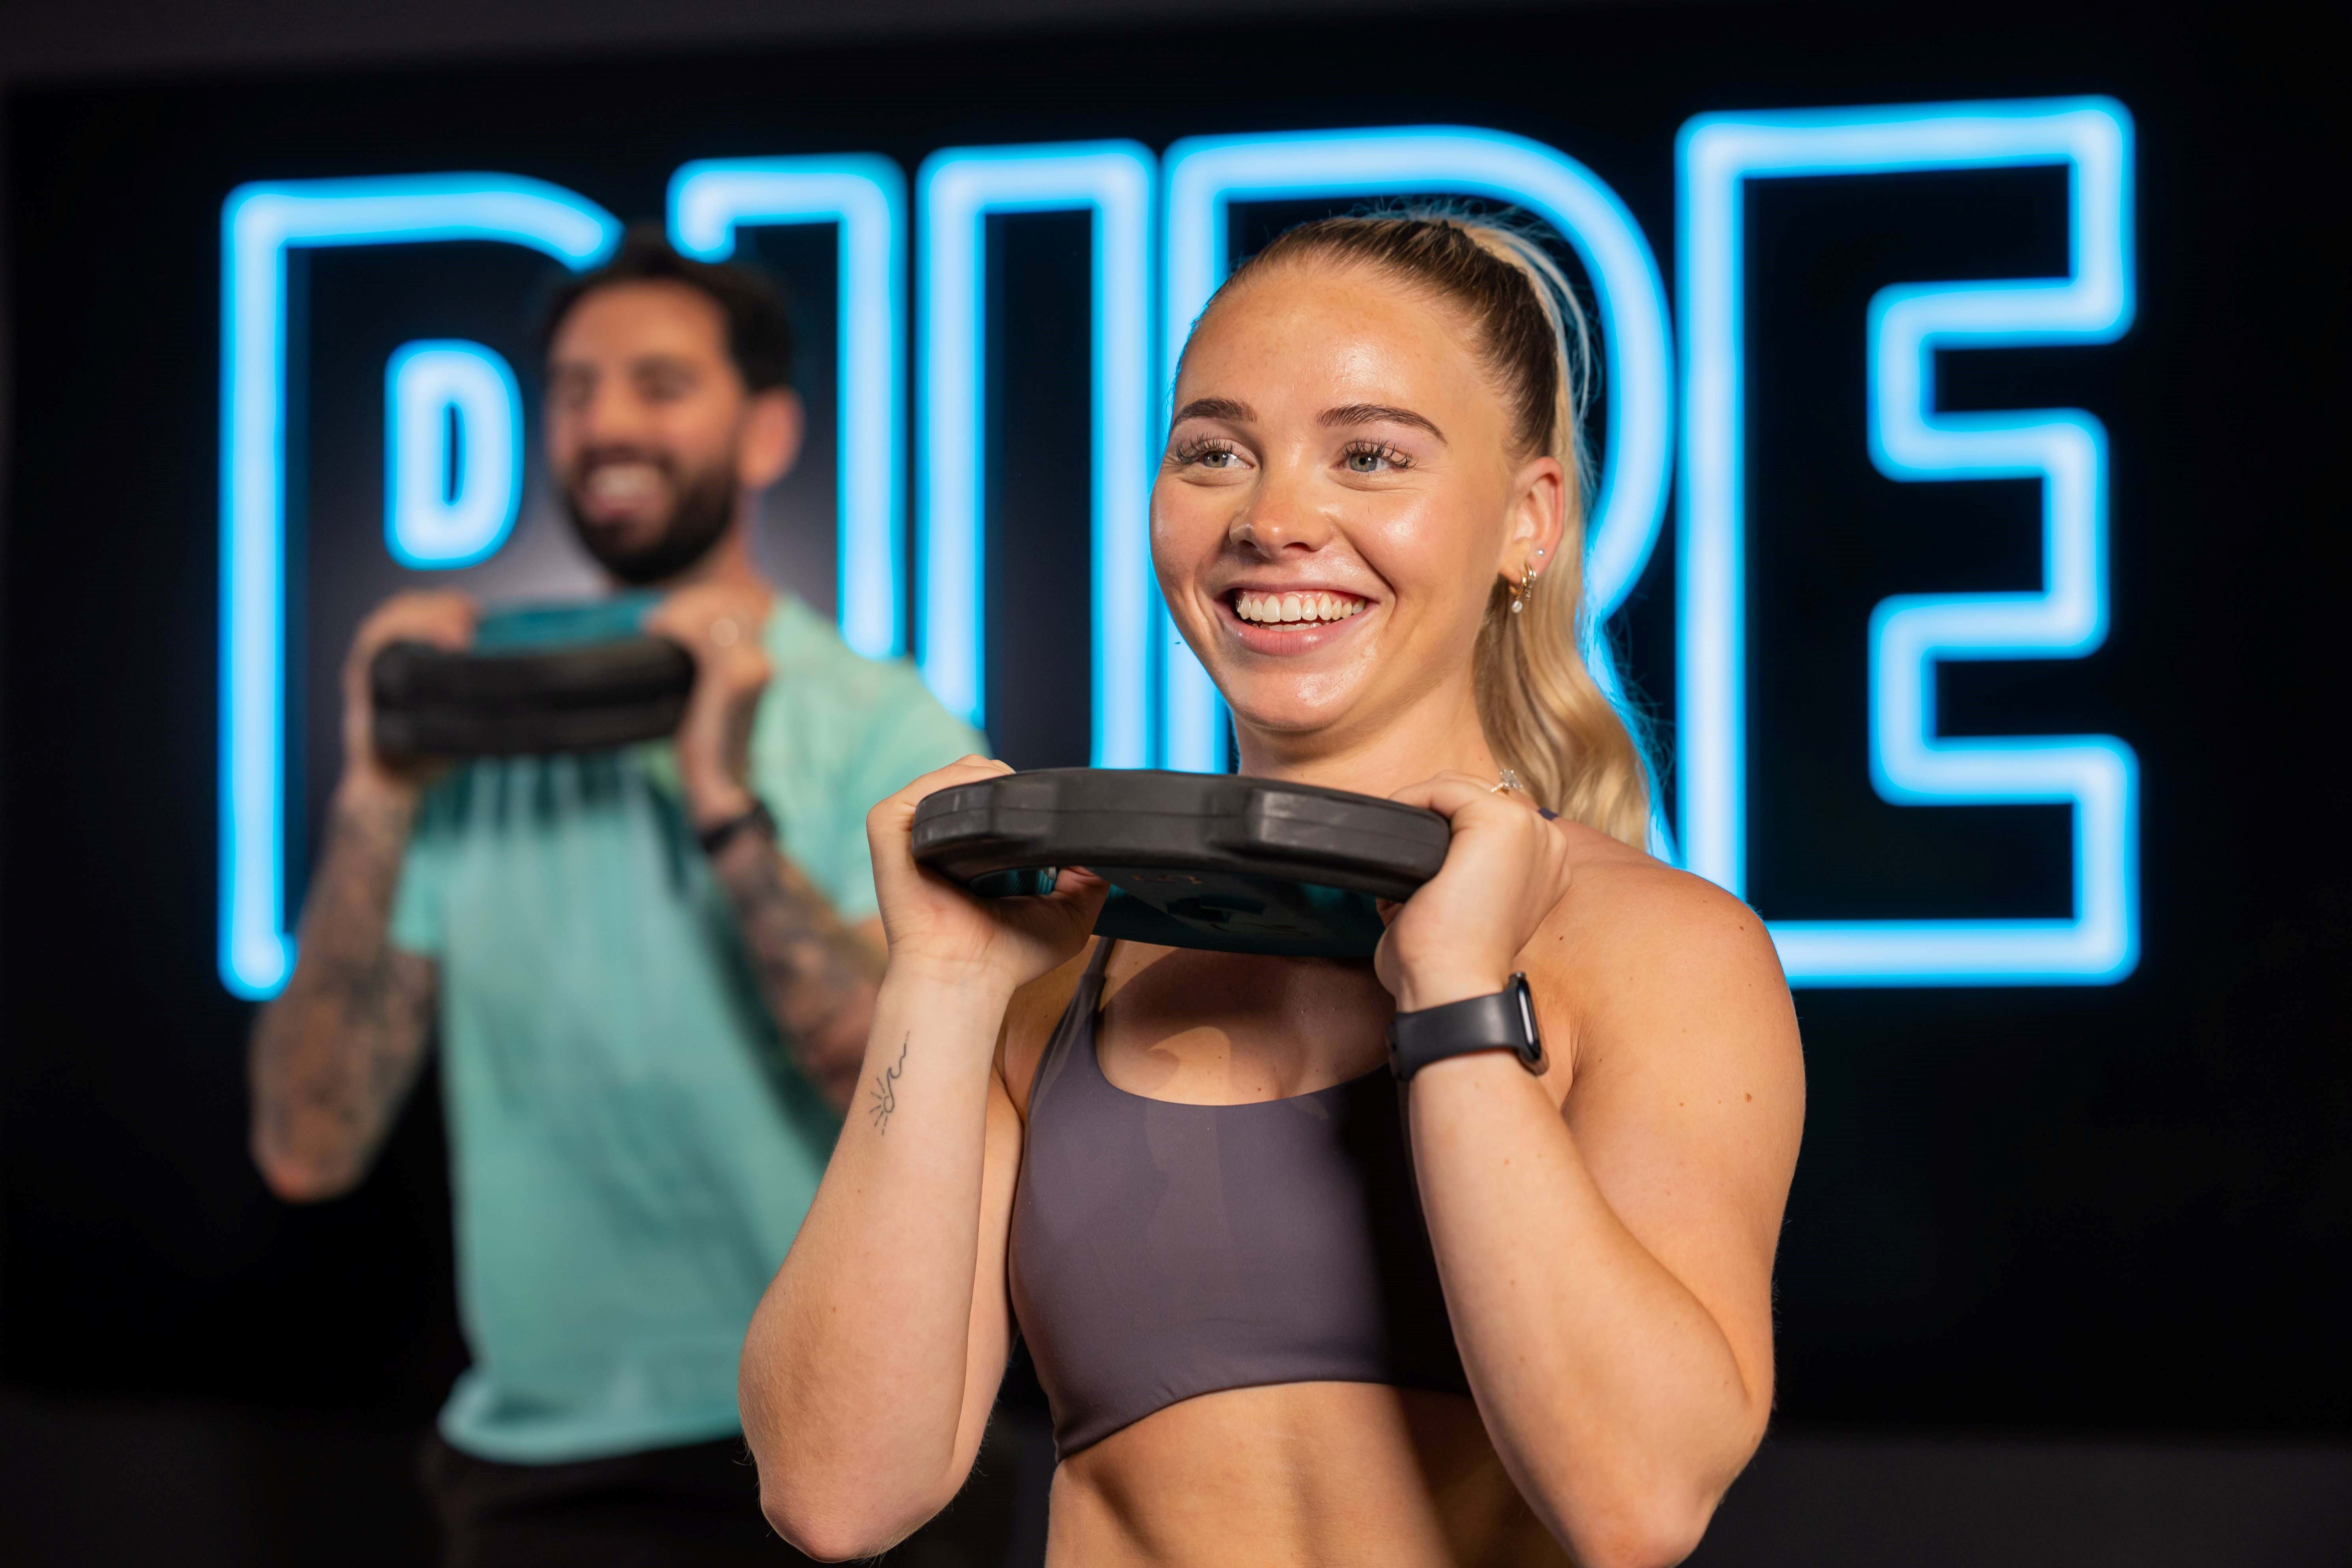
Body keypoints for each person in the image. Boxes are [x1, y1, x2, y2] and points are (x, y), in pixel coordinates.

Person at [740, 212, 1807, 1566]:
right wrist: (940, 985)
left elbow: (1636, 1502)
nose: (1274, 520)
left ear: (1527, 523)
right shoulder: (1060, 955)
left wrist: (1456, 998)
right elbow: (836, 1490)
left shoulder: (1659, 951)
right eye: (1214, 454)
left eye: (1369, 456)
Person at [248, 229, 988, 1566]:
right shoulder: (467, 721)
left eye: (659, 383)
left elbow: (914, 1095)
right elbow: (309, 1142)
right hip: (537, 1471)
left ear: (767, 434)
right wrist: (373, 790)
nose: (604, 424)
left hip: (833, 1442)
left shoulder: (885, 725)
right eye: (576, 389)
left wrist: (722, 801)